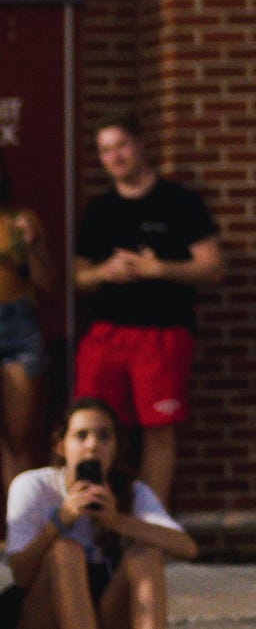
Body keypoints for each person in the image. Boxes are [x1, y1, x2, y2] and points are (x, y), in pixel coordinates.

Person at [72, 119, 222, 504]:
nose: (115, 157)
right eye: (106, 150)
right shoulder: (100, 209)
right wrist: (105, 272)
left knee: (158, 429)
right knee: (92, 425)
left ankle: (149, 526)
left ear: (140, 144)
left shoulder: (179, 202)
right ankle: (91, 515)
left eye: (121, 145)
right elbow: (79, 276)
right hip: (108, 332)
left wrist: (160, 269)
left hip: (162, 333)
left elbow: (212, 267)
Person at [3, 397, 195, 629]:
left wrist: (116, 521)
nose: (92, 445)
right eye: (81, 435)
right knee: (65, 550)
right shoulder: (33, 486)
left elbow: (187, 548)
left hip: (104, 609)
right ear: (61, 446)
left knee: (145, 555)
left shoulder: (130, 490)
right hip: (42, 610)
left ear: (115, 448)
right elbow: (21, 576)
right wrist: (60, 520)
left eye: (104, 436)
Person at [0, 158, 52, 494]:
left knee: (15, 441)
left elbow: (47, 285)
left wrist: (32, 246)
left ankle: (17, 535)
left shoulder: (19, 220)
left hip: (17, 326)